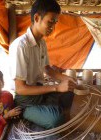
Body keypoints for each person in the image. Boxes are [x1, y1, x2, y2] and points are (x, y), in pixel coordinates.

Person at [9, 0, 77, 130]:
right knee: (56, 119)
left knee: (71, 94)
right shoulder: (20, 46)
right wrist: (57, 88)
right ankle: (27, 112)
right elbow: (20, 89)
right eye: (50, 22)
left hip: (39, 92)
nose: (53, 27)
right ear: (36, 18)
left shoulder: (41, 43)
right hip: (25, 100)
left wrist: (66, 79)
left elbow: (47, 70)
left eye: (55, 23)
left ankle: (45, 106)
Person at [0, 69, 21, 140]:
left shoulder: (8, 96)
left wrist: (14, 115)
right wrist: (6, 116)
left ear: (3, 83)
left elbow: (12, 109)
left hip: (9, 129)